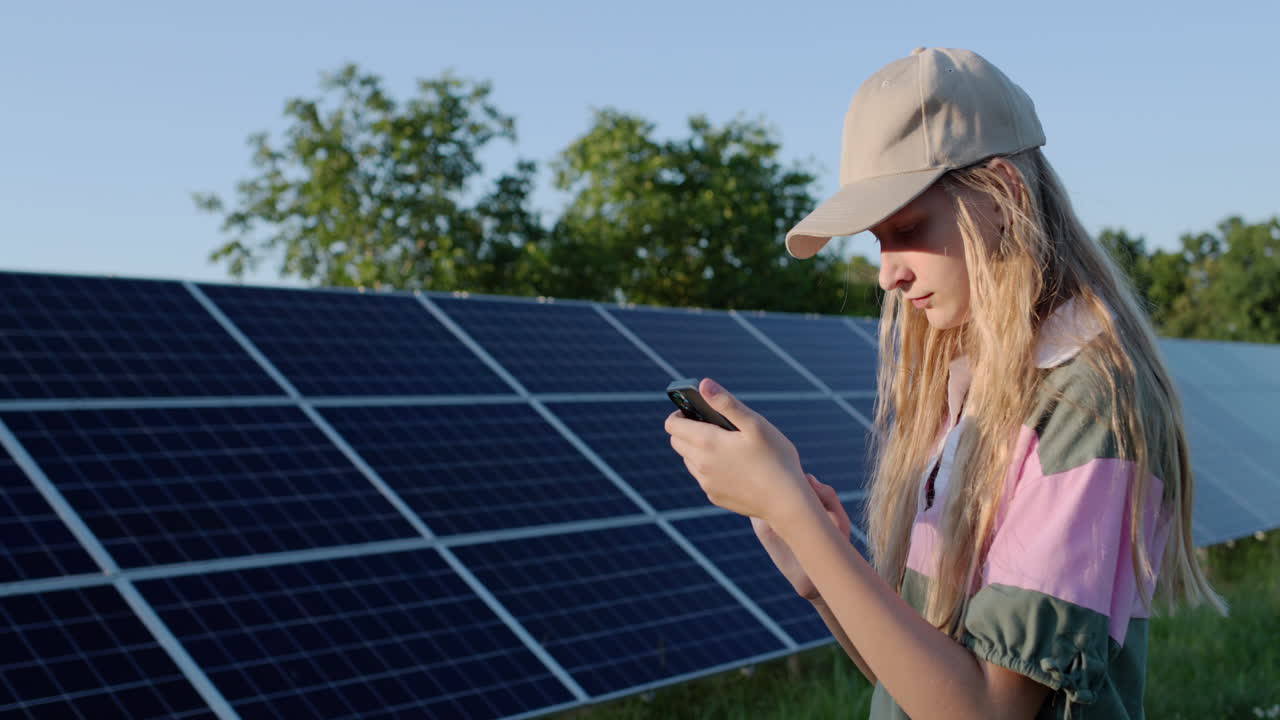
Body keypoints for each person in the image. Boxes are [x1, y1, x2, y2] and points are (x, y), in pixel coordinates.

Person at [664, 47, 1225, 719]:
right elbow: (918, 689)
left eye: (907, 229)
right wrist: (820, 571)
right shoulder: (973, 392)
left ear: (1003, 196)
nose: (887, 274)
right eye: (877, 240)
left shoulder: (1084, 401)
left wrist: (794, 512)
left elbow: (985, 709)